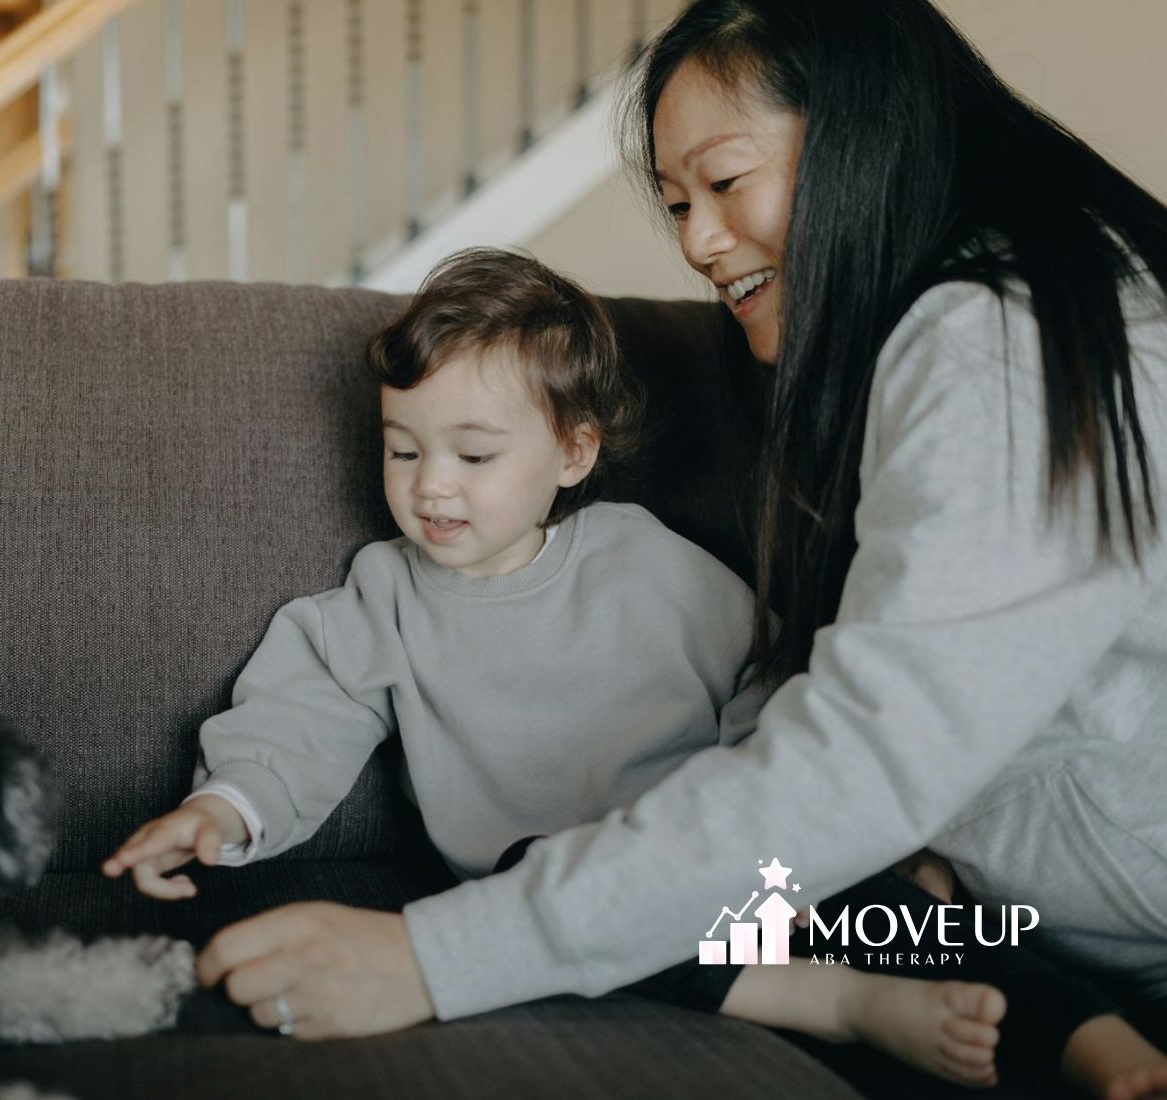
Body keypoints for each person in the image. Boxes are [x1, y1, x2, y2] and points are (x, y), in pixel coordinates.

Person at [148, 4, 1167, 1099]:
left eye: (726, 183)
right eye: (679, 202)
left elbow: (839, 742)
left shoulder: (1000, 347)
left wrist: (431, 955)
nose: (694, 241)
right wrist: (239, 799)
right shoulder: (973, 321)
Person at [104, 247, 1045, 1086]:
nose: (430, 484)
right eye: (403, 450)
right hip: (551, 893)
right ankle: (837, 1004)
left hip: (713, 867)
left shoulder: (646, 563)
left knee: (936, 905)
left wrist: (801, 865)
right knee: (542, 878)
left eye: (472, 453)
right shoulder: (383, 592)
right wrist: (219, 810)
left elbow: (771, 692)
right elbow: (299, 718)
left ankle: (1089, 1043)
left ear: (572, 451)